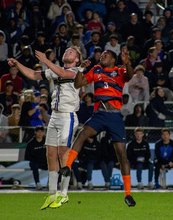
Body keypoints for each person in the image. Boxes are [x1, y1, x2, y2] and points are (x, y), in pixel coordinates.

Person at [7, 46, 85, 209]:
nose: (67, 52)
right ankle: (52, 194)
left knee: (63, 152)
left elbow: (64, 74)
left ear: (77, 60)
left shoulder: (77, 71)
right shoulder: (56, 70)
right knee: (50, 153)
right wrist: (17, 64)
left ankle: (63, 194)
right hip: (55, 116)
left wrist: (45, 60)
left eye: (71, 52)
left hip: (68, 115)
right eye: (66, 51)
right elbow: (34, 75)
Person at [58, 49, 136, 207]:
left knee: (122, 155)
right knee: (82, 134)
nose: (102, 57)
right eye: (101, 55)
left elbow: (129, 76)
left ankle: (127, 194)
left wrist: (127, 62)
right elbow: (78, 84)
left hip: (115, 116)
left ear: (114, 60)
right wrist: (80, 69)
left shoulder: (119, 70)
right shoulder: (95, 70)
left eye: (105, 55)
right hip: (99, 114)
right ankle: (67, 166)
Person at [24, 126, 48, 190]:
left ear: (44, 133)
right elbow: (27, 156)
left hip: (45, 162)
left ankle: (51, 183)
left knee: (56, 165)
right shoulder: (31, 143)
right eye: (38, 132)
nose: (40, 133)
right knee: (34, 165)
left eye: (41, 132)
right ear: (35, 132)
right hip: (35, 162)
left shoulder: (47, 142)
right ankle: (38, 183)